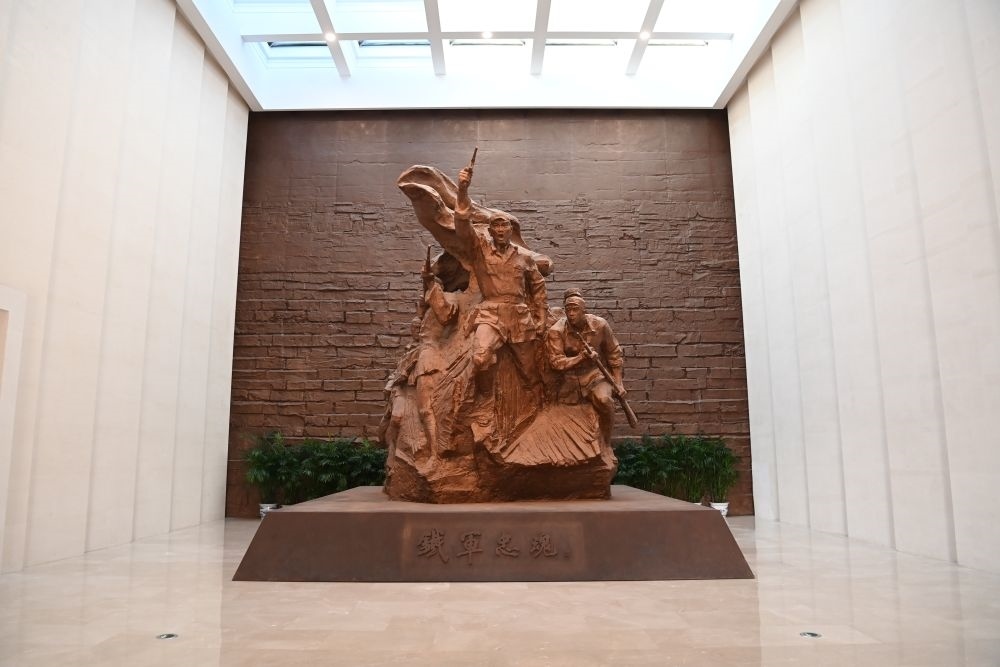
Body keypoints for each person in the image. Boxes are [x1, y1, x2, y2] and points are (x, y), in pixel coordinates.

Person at [454, 165, 547, 387]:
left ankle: (533, 399)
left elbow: (538, 287)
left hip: (518, 315)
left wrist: (541, 316)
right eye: (495, 226)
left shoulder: (525, 258)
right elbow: (462, 225)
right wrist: (462, 190)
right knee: (480, 357)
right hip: (490, 314)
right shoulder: (479, 250)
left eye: (504, 225)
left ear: (511, 230)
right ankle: (485, 397)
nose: (500, 230)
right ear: (490, 231)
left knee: (529, 371)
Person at [545, 288, 625, 447]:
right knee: (558, 414)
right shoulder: (556, 331)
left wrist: (618, 382)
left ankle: (605, 445)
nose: (571, 314)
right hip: (569, 379)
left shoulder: (600, 325)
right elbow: (556, 362)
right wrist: (580, 357)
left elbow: (614, 354)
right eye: (568, 310)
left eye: (575, 309)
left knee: (604, 401)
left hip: (595, 375)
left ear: (584, 310)